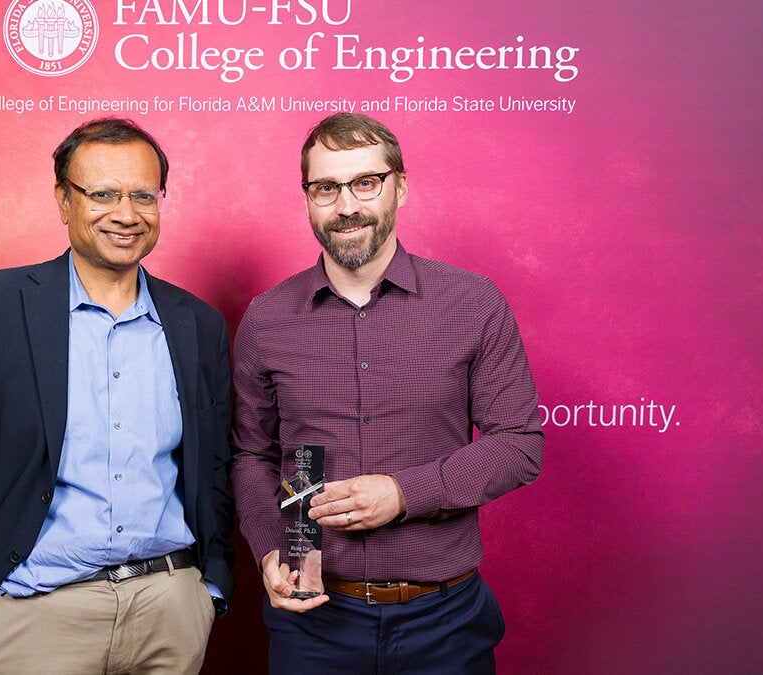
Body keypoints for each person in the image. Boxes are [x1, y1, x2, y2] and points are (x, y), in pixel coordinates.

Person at [0, 118, 235, 672]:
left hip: (170, 611)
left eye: (143, 195)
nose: (126, 214)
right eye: (103, 194)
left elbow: (216, 470)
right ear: (63, 200)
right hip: (33, 617)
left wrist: (210, 590)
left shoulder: (197, 323)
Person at [230, 113, 544, 673]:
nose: (346, 205)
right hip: (313, 626)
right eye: (326, 187)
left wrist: (403, 494)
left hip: (445, 622)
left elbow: (518, 444)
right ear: (307, 198)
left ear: (400, 186)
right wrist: (270, 549)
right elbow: (251, 454)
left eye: (365, 183)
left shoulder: (473, 302)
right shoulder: (266, 318)